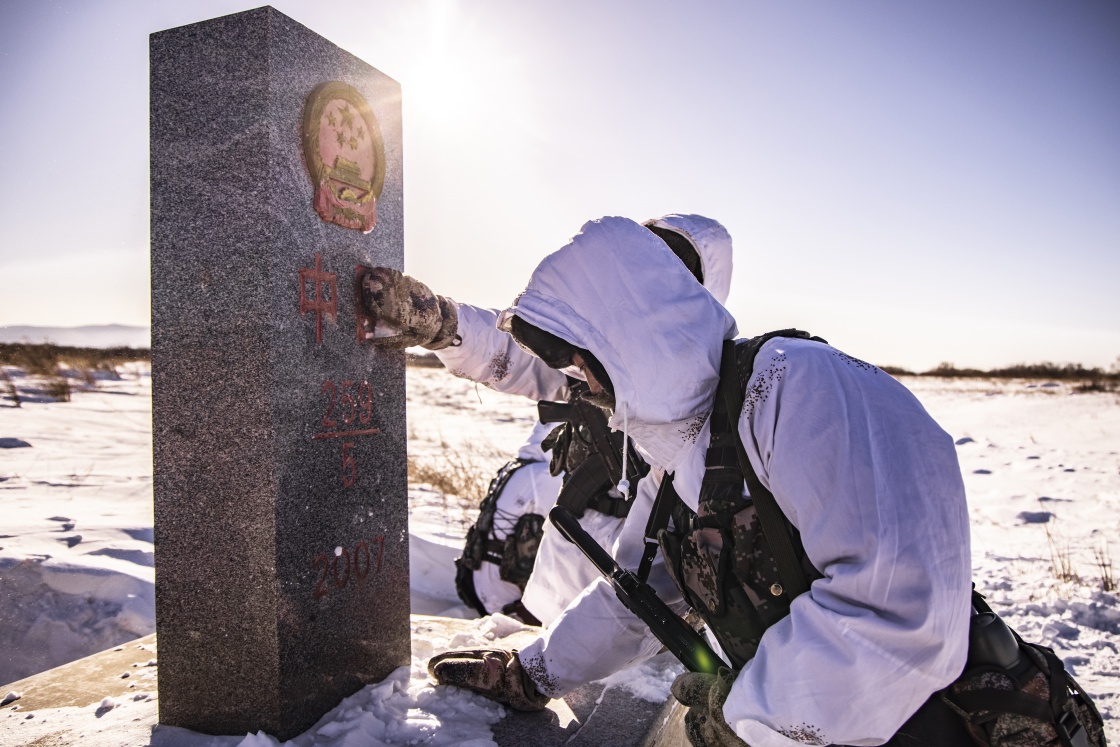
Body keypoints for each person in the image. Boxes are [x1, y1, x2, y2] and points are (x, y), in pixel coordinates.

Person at [419, 216, 974, 746]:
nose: (577, 383)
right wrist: (533, 675)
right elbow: (635, 593)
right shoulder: (687, 451)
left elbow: (900, 619)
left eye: (581, 362)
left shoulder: (801, 389)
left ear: (628, 339)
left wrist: (745, 721)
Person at [362, 214, 734, 627]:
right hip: (567, 554)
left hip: (644, 579)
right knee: (556, 646)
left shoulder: (715, 390)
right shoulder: (593, 348)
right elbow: (514, 352)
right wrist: (445, 325)